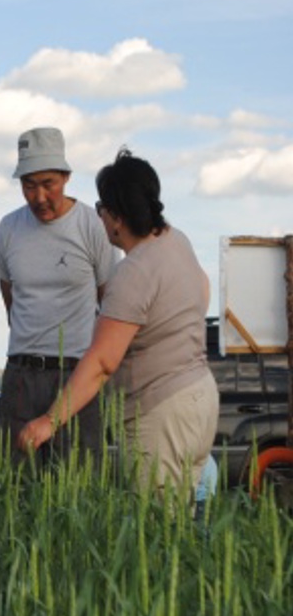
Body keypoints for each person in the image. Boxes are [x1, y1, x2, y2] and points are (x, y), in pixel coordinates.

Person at [17, 148, 218, 496]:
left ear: (117, 218)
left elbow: (102, 362)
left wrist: (49, 422)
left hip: (161, 412)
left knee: (155, 528)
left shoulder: (132, 273)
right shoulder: (176, 240)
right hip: (200, 399)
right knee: (183, 523)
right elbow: (202, 289)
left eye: (101, 209)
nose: (99, 217)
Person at [0, 127, 115, 462]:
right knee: (18, 482)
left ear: (66, 177)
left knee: (79, 481)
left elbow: (110, 302)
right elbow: (11, 301)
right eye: (29, 186)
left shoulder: (92, 225)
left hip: (77, 374)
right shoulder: (8, 229)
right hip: (21, 373)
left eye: (49, 184)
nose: (39, 196)